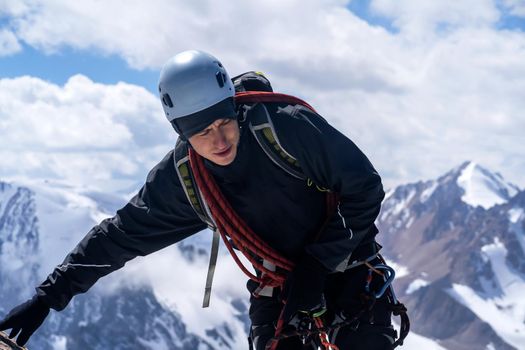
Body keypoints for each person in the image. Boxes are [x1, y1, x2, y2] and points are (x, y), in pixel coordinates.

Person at [0, 50, 406, 349]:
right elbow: (120, 237)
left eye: (224, 122)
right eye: (201, 132)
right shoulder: (184, 181)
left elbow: (364, 187)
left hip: (351, 271)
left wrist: (318, 264)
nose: (219, 140)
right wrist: (47, 297)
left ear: (234, 107)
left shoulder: (287, 129)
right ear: (181, 133)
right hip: (278, 290)